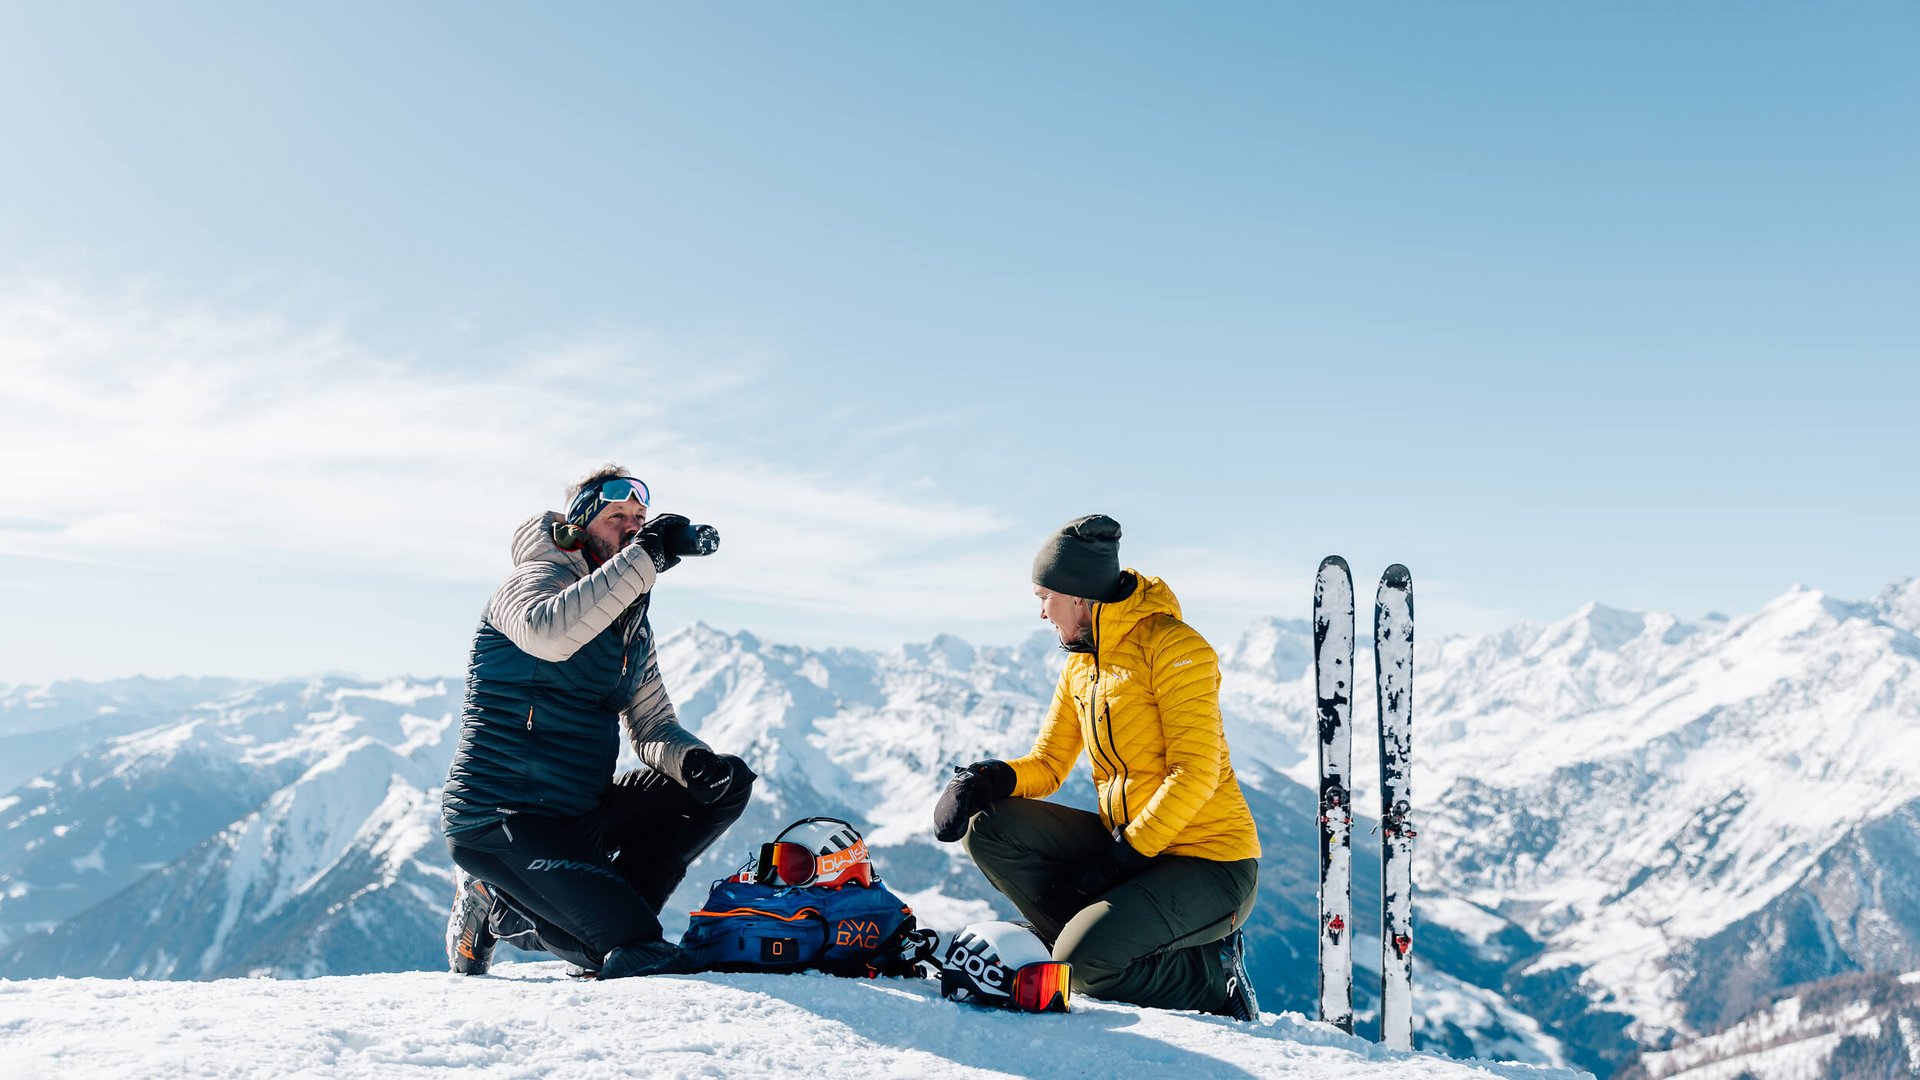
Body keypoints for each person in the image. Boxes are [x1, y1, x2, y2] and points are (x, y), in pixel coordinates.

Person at [933, 514, 1262, 1020]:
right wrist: (989, 777)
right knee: (991, 827)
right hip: (1129, 849)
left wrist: (1123, 854)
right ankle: (1078, 934)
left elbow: (1196, 772)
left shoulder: (1175, 648)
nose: (1042, 613)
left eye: (1045, 597)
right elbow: (1048, 764)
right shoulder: (1082, 666)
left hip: (1210, 862)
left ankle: (1212, 978)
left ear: (1079, 596)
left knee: (1080, 969)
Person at [442, 465, 754, 980]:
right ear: (581, 525)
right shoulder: (531, 582)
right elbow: (550, 635)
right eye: (617, 518)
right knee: (632, 951)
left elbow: (653, 725)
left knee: (727, 783)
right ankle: (498, 902)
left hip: (579, 814)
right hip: (502, 817)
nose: (631, 527)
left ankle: (610, 911)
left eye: (639, 518)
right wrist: (645, 558)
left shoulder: (629, 621)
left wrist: (694, 763)